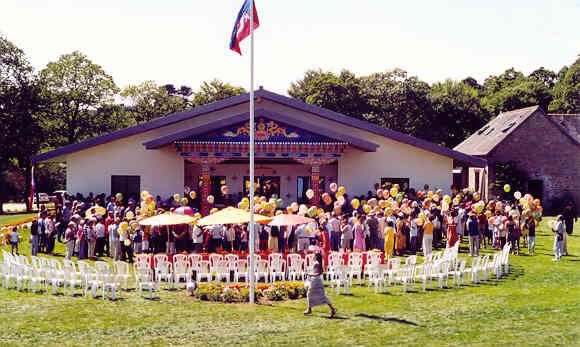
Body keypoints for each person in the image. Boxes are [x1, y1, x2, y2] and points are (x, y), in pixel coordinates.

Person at [304, 252, 336, 318]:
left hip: (315, 282)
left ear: (316, 257)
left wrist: (310, 274)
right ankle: (332, 309)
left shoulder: (317, 264)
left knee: (309, 294)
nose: (313, 257)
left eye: (314, 256)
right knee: (321, 296)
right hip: (317, 281)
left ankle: (309, 309)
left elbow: (319, 273)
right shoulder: (318, 263)